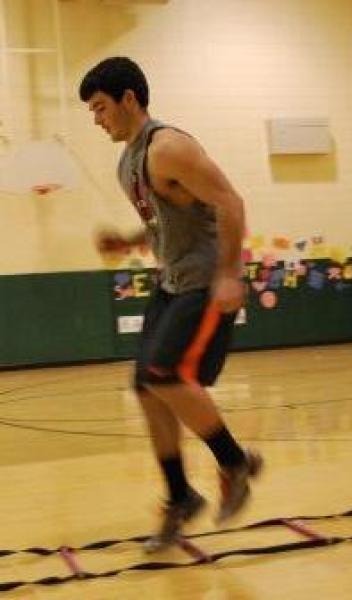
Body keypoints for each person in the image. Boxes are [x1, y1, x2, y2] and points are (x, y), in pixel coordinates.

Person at [79, 57, 262, 551]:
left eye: (100, 108)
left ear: (129, 99)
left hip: (204, 282)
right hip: (172, 282)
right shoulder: (129, 162)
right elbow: (168, 219)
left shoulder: (169, 148)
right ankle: (181, 496)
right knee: (145, 386)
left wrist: (230, 273)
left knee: (165, 375)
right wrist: (128, 241)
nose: (97, 119)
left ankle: (235, 462)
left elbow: (230, 202)